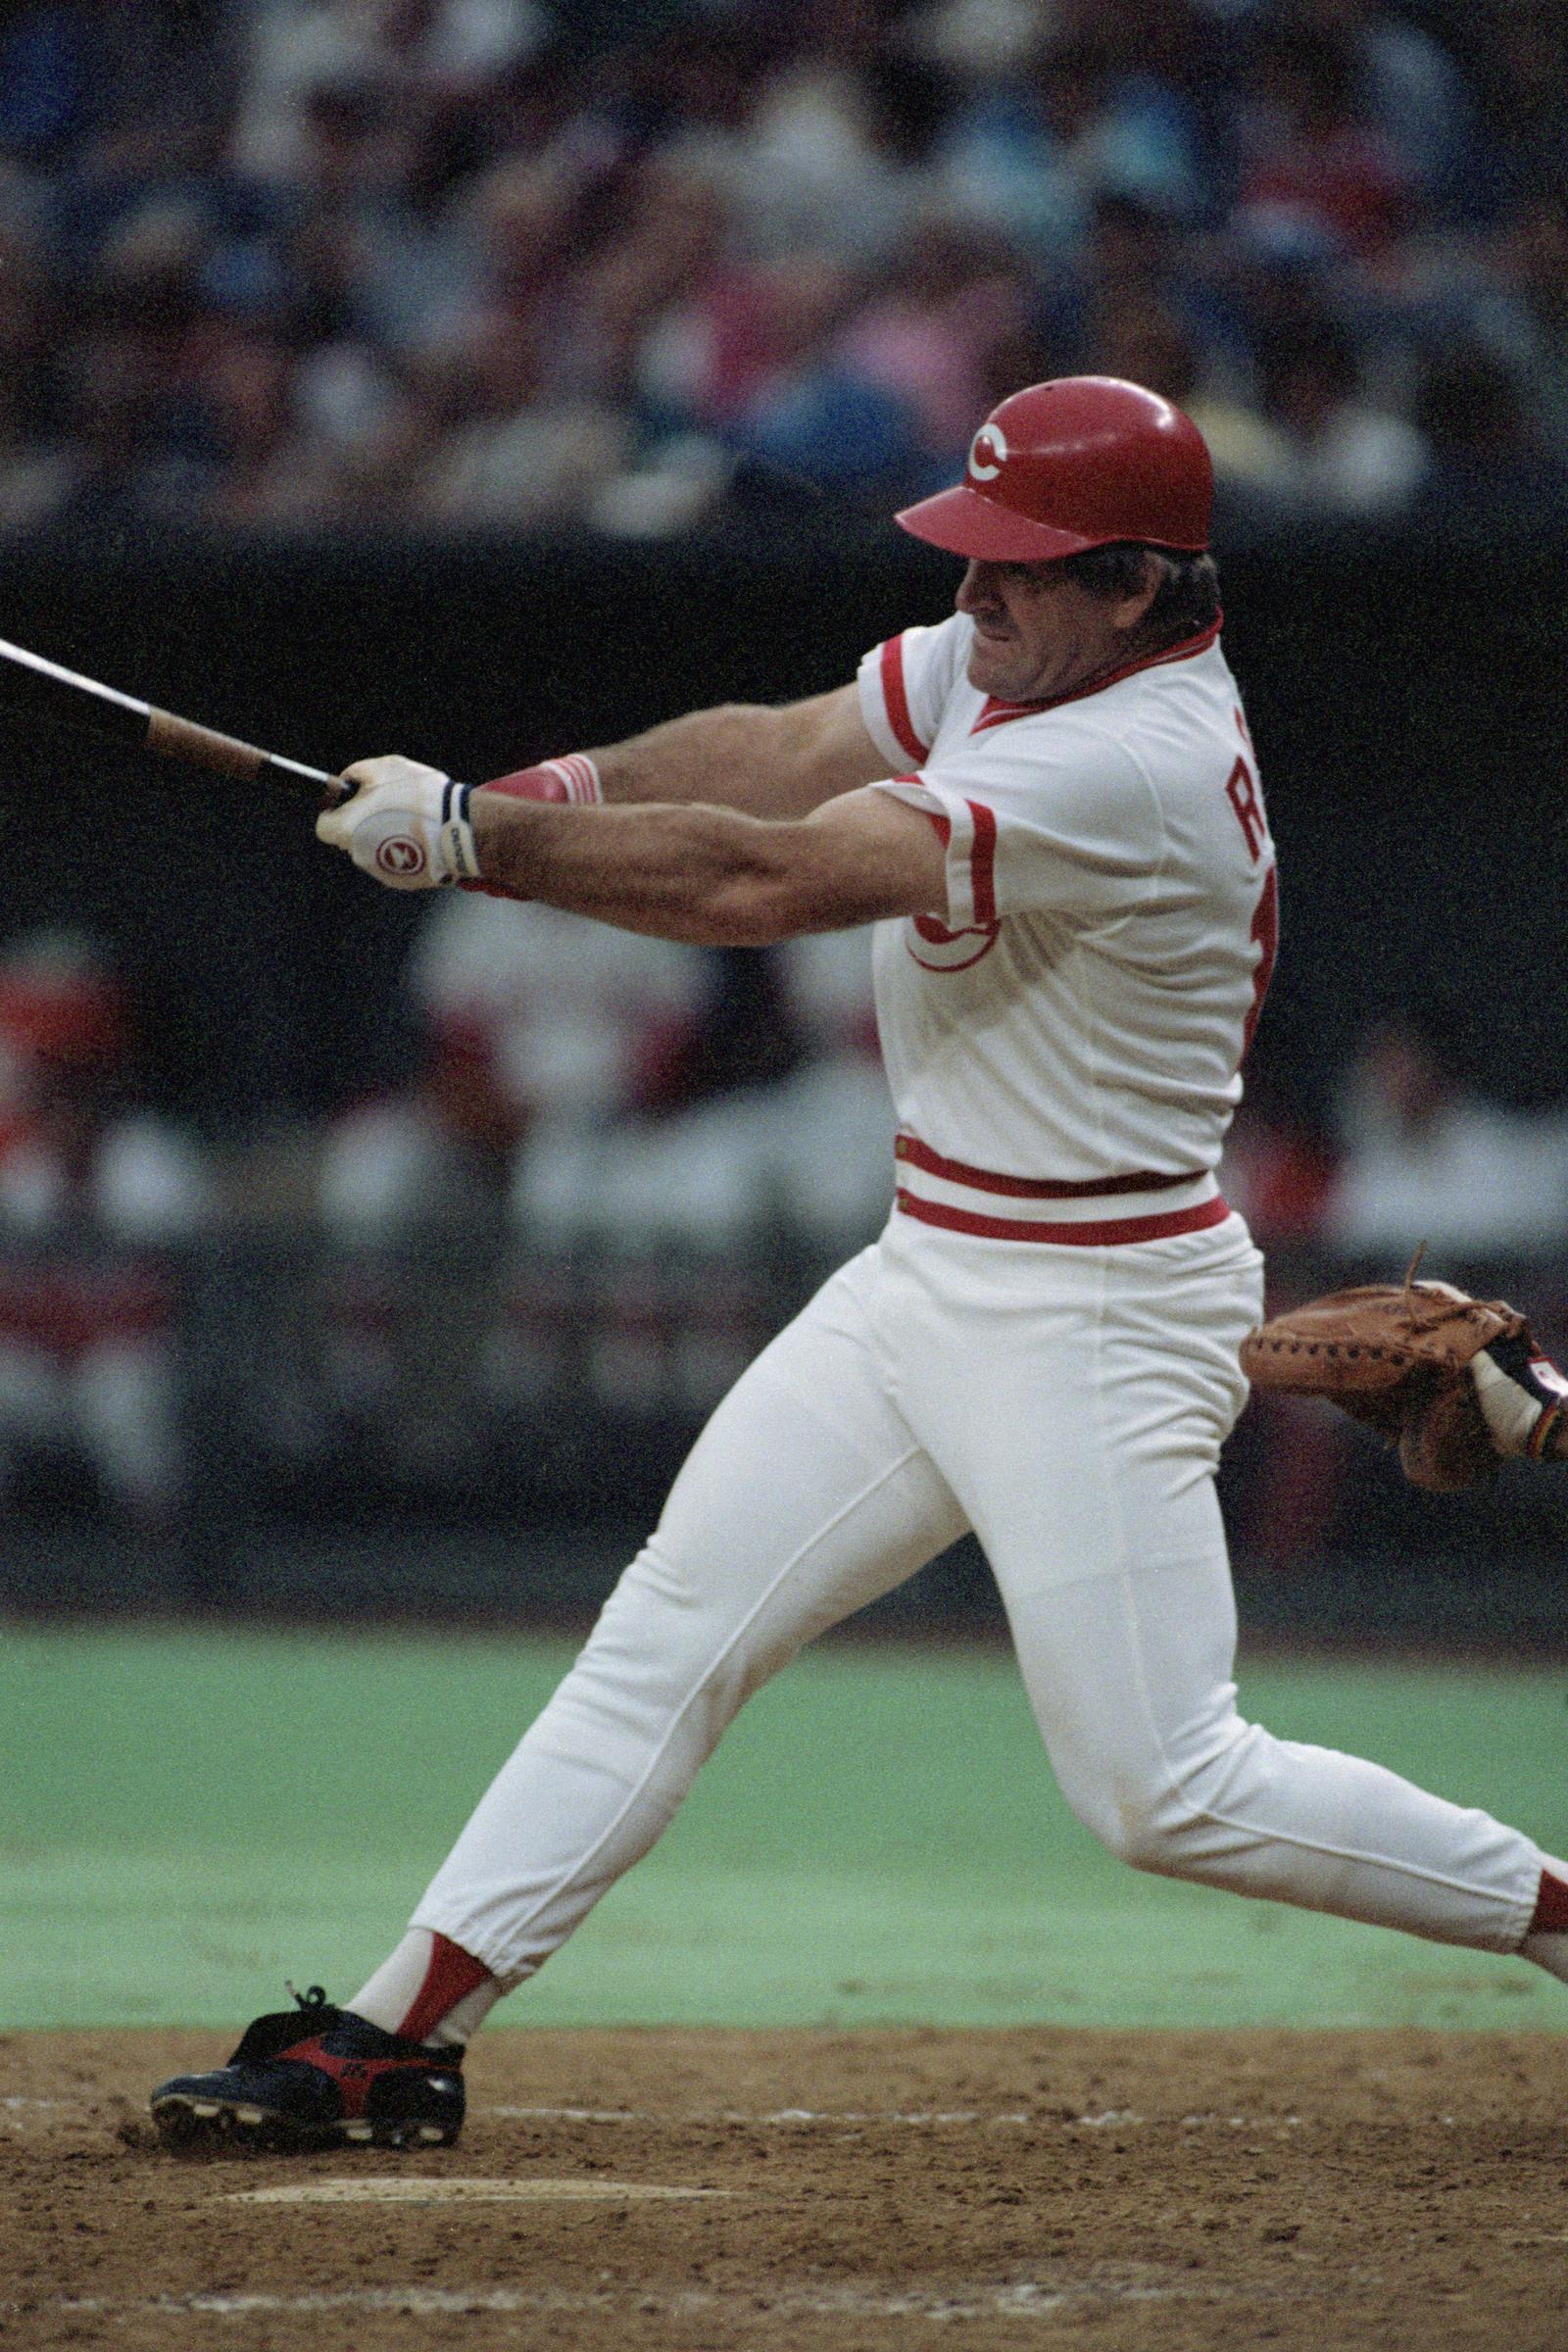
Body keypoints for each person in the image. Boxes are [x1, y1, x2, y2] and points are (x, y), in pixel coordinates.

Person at [150, 375, 1568, 2152]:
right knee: (665, 1639)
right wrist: (528, 799)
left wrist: (474, 848)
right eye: (968, 559)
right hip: (928, 1272)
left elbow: (762, 880)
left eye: (1018, 569)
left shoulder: (1126, 759)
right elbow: (781, 744)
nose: (974, 596)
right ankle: (385, 2038)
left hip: (1095, 1312)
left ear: (1139, 583)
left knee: (1164, 1790)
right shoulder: (1027, 653)